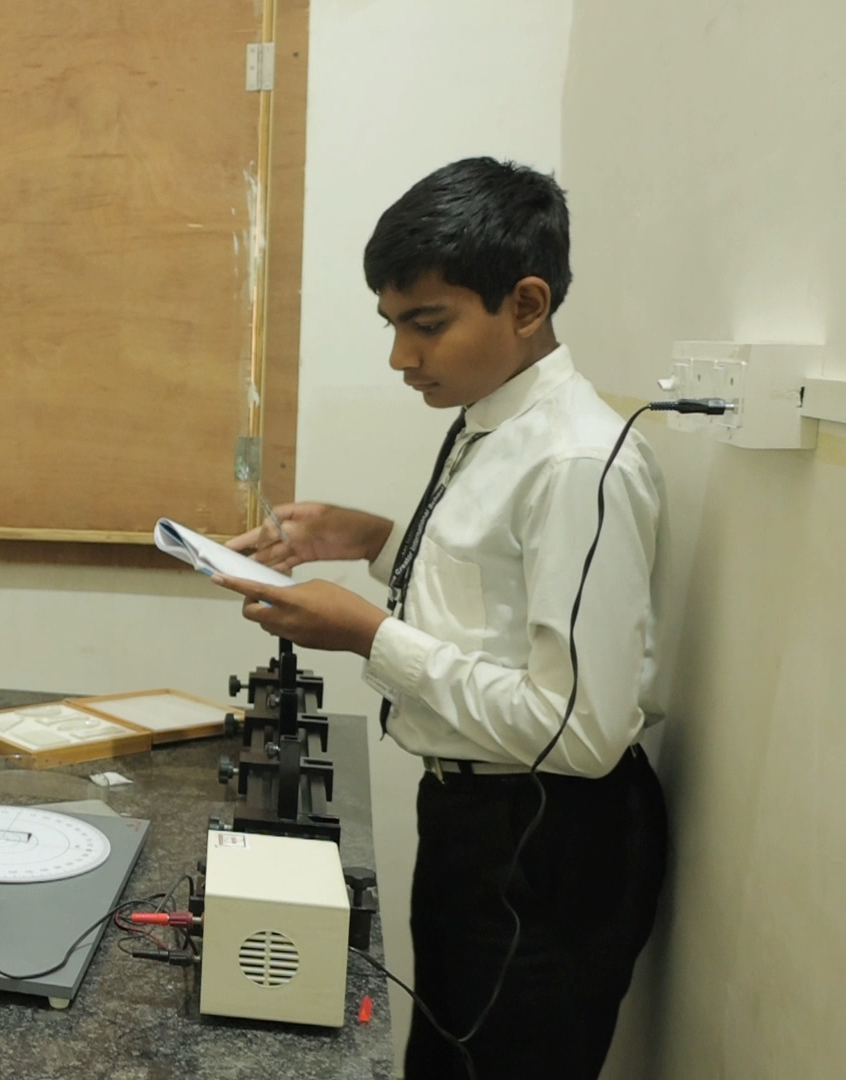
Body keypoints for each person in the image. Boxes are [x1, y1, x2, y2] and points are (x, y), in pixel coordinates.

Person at [214, 158, 667, 1080]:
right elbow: (493, 591)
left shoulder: (577, 462)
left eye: (426, 325)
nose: (401, 357)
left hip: (546, 836)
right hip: (474, 817)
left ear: (526, 304)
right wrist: (369, 538)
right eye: (391, 325)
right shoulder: (490, 419)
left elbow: (578, 732)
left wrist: (368, 635)